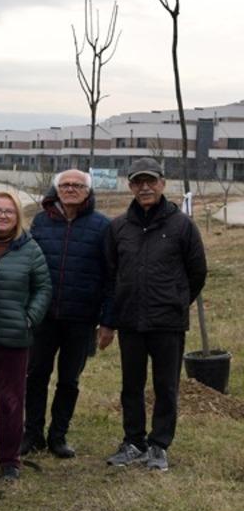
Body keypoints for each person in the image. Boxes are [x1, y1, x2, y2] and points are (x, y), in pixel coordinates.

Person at [102, 158, 207, 472]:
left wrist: (177, 301)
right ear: (130, 186)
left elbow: (197, 272)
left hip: (167, 322)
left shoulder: (182, 226)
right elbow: (110, 273)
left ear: (163, 183)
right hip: (130, 320)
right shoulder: (119, 227)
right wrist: (112, 316)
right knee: (131, 385)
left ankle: (159, 444)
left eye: (151, 181)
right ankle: (133, 442)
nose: (145, 187)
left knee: (166, 386)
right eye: (138, 182)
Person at [23, 169, 113, 459]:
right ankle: (32, 433)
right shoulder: (41, 222)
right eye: (65, 185)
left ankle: (58, 435)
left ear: (88, 191)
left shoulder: (102, 226)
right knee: (36, 375)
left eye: (77, 185)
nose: (70, 189)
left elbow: (111, 276)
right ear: (56, 189)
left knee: (69, 380)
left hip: (82, 318)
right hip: (44, 316)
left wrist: (107, 321)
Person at [0, 192, 51, 481]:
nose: (3, 216)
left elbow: (43, 288)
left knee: (10, 401)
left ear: (18, 217)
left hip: (14, 337)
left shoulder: (30, 249)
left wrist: (30, 318)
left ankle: (9, 461)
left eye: (9, 211)